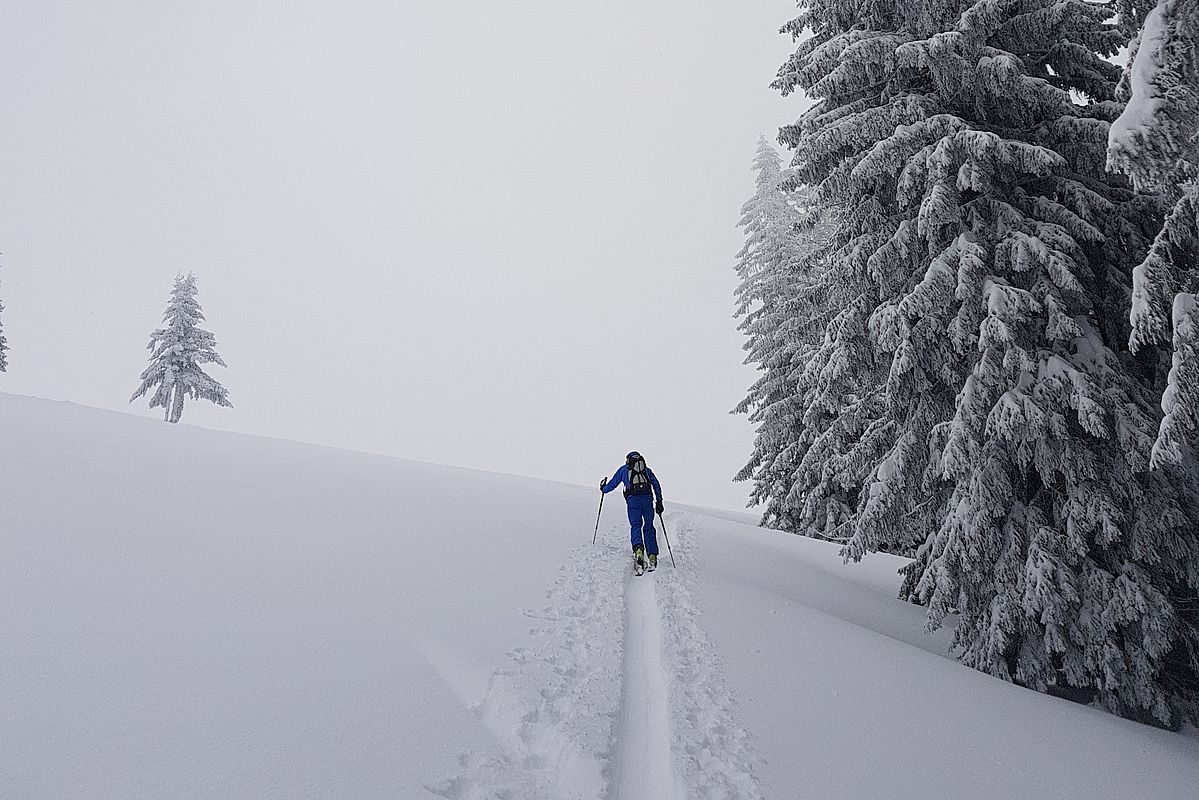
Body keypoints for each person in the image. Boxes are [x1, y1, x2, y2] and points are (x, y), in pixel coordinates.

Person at [600, 451, 664, 572]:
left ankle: (638, 550)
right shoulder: (647, 470)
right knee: (649, 527)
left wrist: (604, 488)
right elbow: (656, 484)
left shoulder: (624, 470)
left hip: (633, 501)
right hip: (647, 500)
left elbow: (613, 484)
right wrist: (659, 501)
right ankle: (652, 556)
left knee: (636, 526)